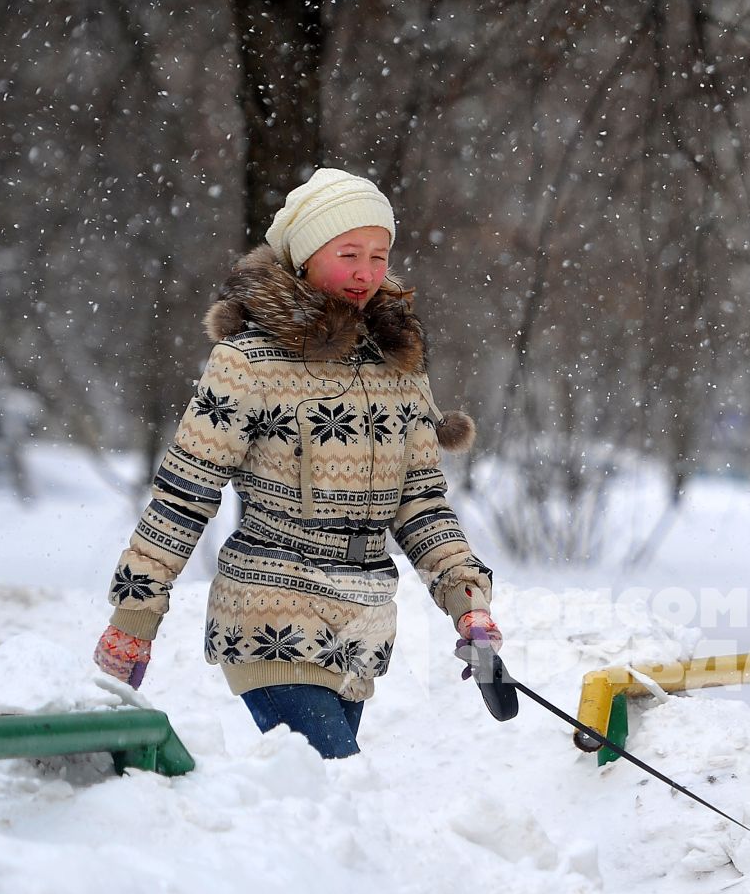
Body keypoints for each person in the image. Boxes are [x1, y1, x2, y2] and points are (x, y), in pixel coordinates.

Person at [93, 167, 499, 759]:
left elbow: (422, 505)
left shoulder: (399, 371)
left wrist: (470, 605)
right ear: (306, 257)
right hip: (270, 615)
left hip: (361, 622)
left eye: (379, 255)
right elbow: (184, 497)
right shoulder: (248, 363)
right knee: (333, 774)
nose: (366, 272)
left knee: (318, 805)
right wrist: (133, 620)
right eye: (349, 253)